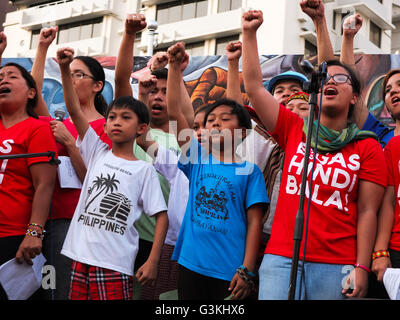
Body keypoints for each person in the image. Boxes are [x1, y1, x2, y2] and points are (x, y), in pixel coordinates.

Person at [242, 9, 387, 300]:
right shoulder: (294, 129)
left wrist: (361, 266)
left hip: (337, 264)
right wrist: (249, 33)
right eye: (324, 80)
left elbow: (368, 212)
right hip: (282, 259)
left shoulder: (368, 147)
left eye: (341, 79)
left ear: (355, 97)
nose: (330, 82)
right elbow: (255, 88)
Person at [56, 47, 168, 300]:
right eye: (112, 117)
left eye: (125, 117)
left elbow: (162, 216)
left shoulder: (144, 169)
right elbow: (74, 109)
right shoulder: (97, 151)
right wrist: (64, 70)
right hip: (79, 257)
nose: (116, 121)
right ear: (104, 125)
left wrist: (152, 259)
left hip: (115, 264)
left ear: (141, 128)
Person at [166, 42, 269, 300]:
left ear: (243, 133)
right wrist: (173, 68)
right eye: (211, 120)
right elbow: (175, 111)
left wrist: (247, 269)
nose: (215, 123)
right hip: (190, 263)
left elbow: (255, 222)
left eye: (224, 120)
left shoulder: (250, 171)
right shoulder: (197, 158)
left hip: (229, 271)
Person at [114, 13, 193, 300]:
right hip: (126, 234)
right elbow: (122, 79)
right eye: (153, 91)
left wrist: (175, 72)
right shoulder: (134, 129)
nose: (158, 96)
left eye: (165, 91)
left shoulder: (184, 139)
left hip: (167, 242)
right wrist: (129, 34)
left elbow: (180, 110)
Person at [30, 27, 112, 300]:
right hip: (42, 220)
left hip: (76, 222)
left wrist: (69, 144)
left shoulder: (108, 127)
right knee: (41, 288)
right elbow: (34, 96)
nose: (72, 79)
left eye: (79, 74)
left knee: (62, 290)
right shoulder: (60, 123)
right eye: (69, 73)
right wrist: (42, 48)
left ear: (98, 85)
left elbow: (97, 182)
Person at [300, 0, 394, 146]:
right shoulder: (379, 134)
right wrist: (345, 36)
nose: (395, 91)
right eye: (388, 89)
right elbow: (334, 76)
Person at [0, 62, 58, 300]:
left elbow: (44, 185)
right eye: (0, 77)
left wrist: (34, 232)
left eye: (12, 77)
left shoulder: (36, 129)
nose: (3, 80)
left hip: (13, 238)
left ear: (31, 92)